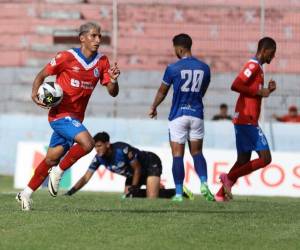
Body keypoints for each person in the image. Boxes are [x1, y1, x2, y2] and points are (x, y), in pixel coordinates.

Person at [16, 22, 120, 211]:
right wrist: (34, 93)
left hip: (76, 119)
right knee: (88, 144)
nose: (98, 40)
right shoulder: (66, 57)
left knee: (51, 159)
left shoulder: (102, 62)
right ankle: (59, 171)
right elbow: (42, 74)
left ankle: (26, 193)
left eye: (99, 36)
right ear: (82, 38)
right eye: (93, 36)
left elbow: (113, 92)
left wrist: (113, 80)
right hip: (60, 115)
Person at [149, 33, 214, 202]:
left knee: (178, 155)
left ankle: (178, 193)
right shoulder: (205, 68)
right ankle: (204, 184)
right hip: (197, 114)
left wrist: (154, 106)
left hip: (178, 115)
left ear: (179, 48)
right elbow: (202, 91)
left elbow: (162, 91)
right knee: (197, 152)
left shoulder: (173, 68)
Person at [215, 37, 277, 202]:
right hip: (246, 119)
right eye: (272, 53)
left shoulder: (259, 68)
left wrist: (267, 91)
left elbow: (252, 91)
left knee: (243, 160)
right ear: (264, 51)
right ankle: (228, 178)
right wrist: (258, 92)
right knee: (265, 158)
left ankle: (221, 194)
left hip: (244, 119)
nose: (273, 56)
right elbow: (236, 85)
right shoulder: (253, 65)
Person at [64, 132, 194, 199]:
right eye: (95, 147)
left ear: (107, 144)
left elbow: (137, 168)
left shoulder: (122, 149)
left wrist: (134, 187)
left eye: (99, 146)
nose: (96, 150)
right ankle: (154, 188)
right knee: (127, 198)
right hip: (133, 173)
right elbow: (86, 177)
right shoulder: (98, 158)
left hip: (150, 163)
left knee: (151, 199)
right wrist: (71, 192)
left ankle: (180, 192)